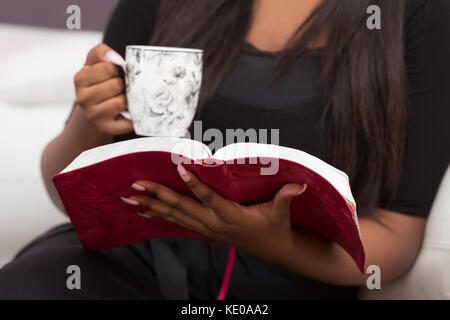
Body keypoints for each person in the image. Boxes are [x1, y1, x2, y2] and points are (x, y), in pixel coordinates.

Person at [0, 0, 449, 299]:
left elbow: (397, 237)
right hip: (130, 259)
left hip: (288, 283)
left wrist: (275, 242)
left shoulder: (419, 15)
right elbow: (64, 194)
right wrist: (89, 112)